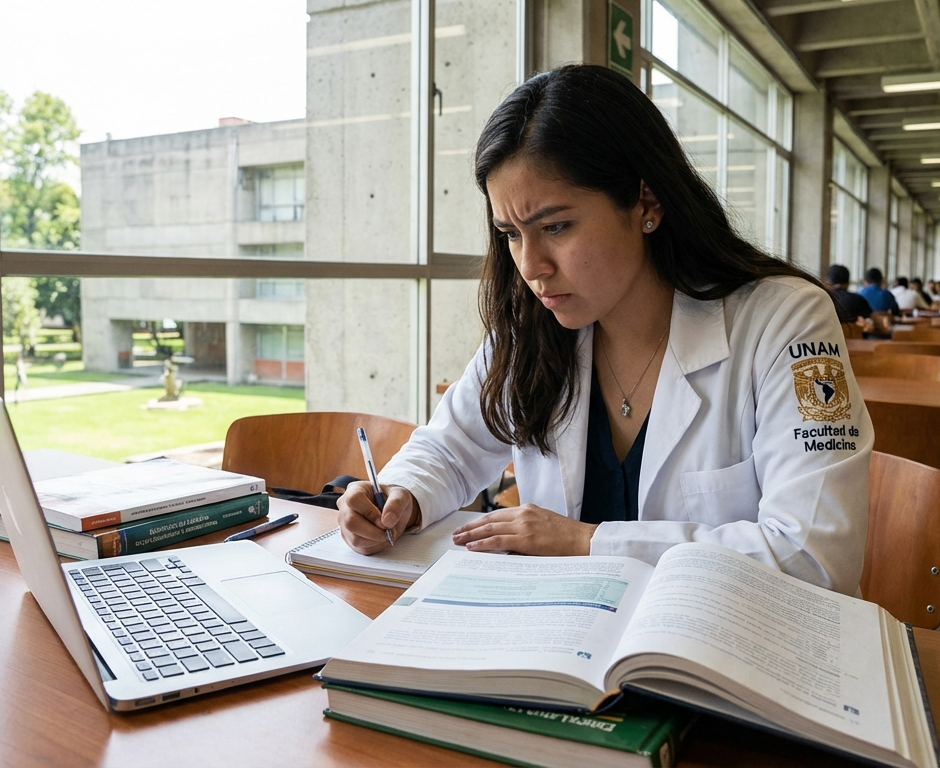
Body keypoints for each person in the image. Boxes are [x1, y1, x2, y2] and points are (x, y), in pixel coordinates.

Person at [336, 64, 871, 595]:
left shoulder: (785, 321)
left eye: (556, 227)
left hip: (719, 652)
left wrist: (589, 542)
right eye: (511, 234)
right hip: (562, 645)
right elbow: (451, 449)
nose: (532, 266)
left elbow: (813, 557)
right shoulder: (534, 325)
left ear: (646, 203)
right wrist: (402, 494)